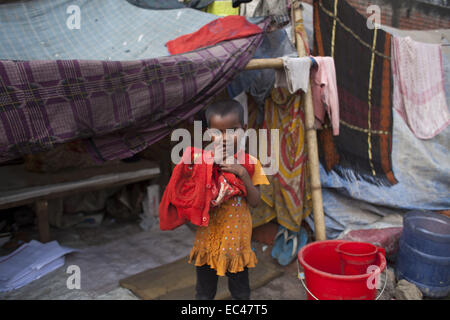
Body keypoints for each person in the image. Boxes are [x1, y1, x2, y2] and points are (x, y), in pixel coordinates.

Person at [188, 99, 269, 300]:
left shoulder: (250, 163)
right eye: (217, 132)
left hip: (237, 243)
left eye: (232, 131)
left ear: (244, 129)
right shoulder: (201, 160)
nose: (224, 138)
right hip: (208, 240)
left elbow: (256, 200)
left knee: (241, 293)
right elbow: (193, 197)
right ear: (208, 133)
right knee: (204, 293)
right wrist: (208, 167)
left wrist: (243, 174)